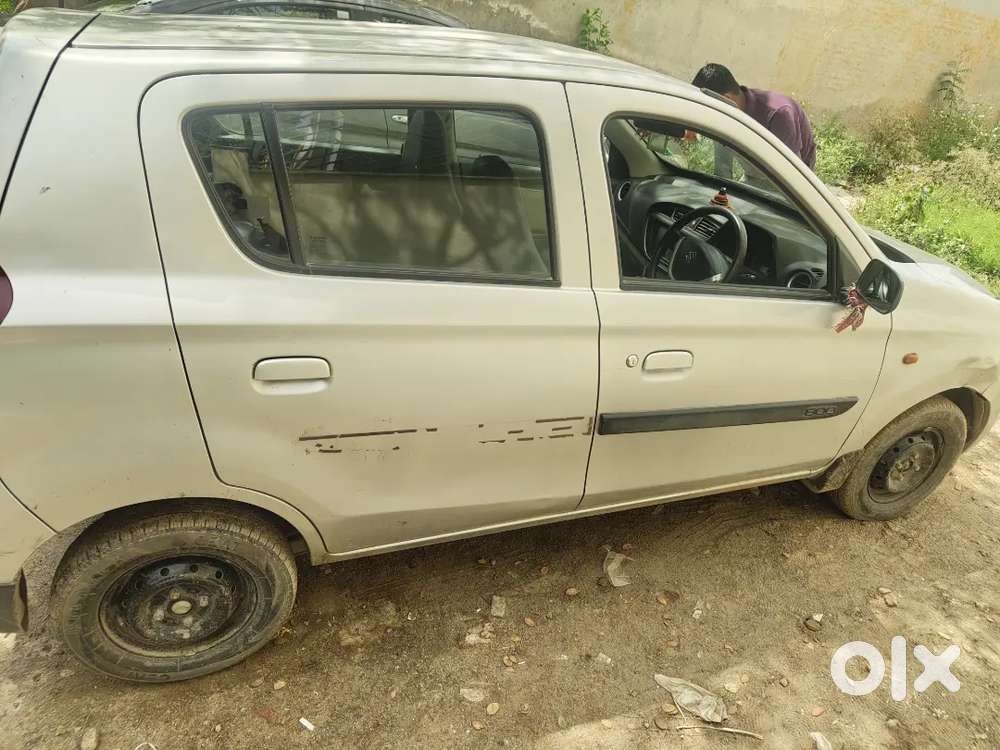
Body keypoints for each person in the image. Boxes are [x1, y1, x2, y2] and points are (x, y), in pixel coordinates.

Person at [692, 63, 816, 170]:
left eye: (708, 109)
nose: (709, 115)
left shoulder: (779, 114)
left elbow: (791, 172)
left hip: (790, 176)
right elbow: (723, 166)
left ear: (726, 99)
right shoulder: (729, 110)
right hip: (756, 169)